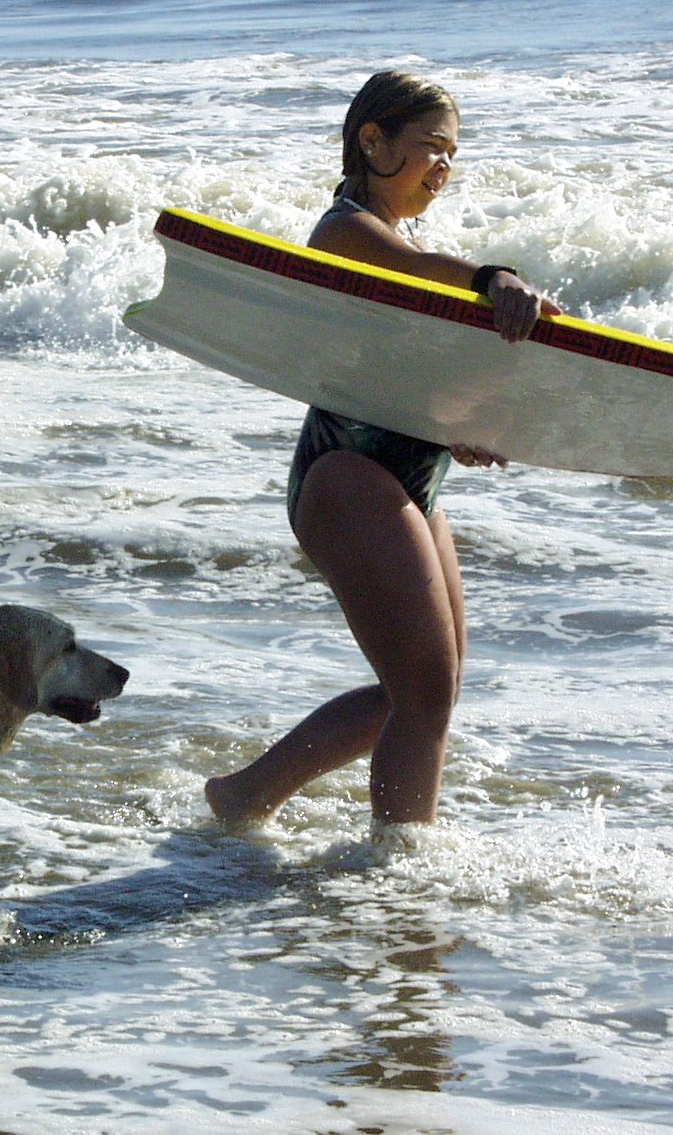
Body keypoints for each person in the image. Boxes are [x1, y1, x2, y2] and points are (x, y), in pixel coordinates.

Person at [204, 69, 562, 831]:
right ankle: (401, 862)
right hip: (346, 473)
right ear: (373, 141)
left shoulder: (402, 245)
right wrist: (494, 277)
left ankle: (246, 794)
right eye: (431, 146)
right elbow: (417, 275)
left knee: (430, 690)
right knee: (423, 692)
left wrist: (455, 426)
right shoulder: (344, 232)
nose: (444, 165)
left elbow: (393, 376)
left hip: (408, 476)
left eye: (453, 152)